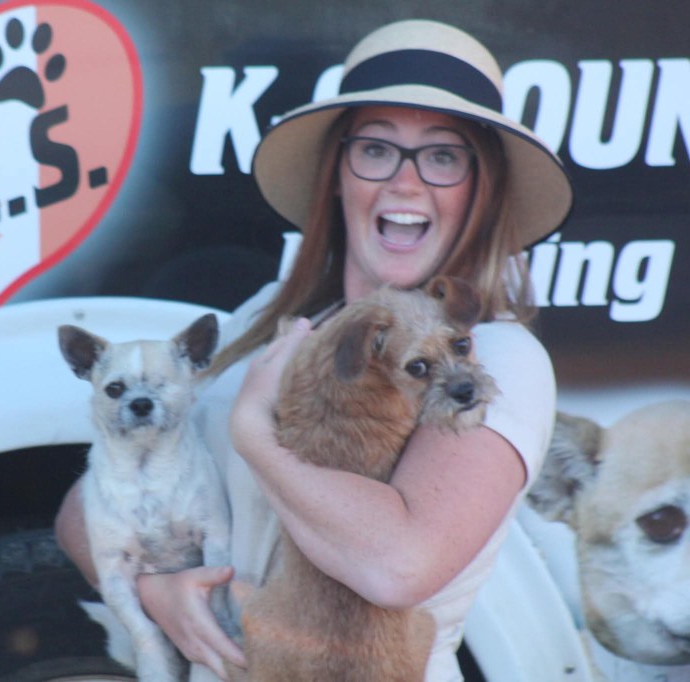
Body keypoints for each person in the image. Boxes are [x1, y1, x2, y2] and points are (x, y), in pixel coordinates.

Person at [55, 18, 573, 682]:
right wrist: (155, 594)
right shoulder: (263, 320)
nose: (406, 183)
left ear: (481, 188)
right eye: (376, 150)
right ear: (337, 175)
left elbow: (399, 565)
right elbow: (86, 506)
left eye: (444, 155)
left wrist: (255, 436)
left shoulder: (495, 359)